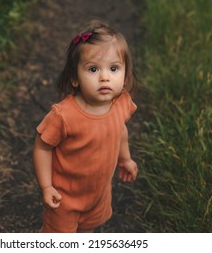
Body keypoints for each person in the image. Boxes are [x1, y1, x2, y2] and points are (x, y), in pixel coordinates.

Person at [33, 20, 138, 233]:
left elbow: (120, 131)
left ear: (125, 76)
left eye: (114, 68)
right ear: (74, 78)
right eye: (93, 69)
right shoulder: (64, 115)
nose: (104, 77)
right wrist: (46, 186)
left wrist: (125, 158)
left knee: (87, 232)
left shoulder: (121, 103)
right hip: (65, 198)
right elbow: (42, 146)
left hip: (98, 195)